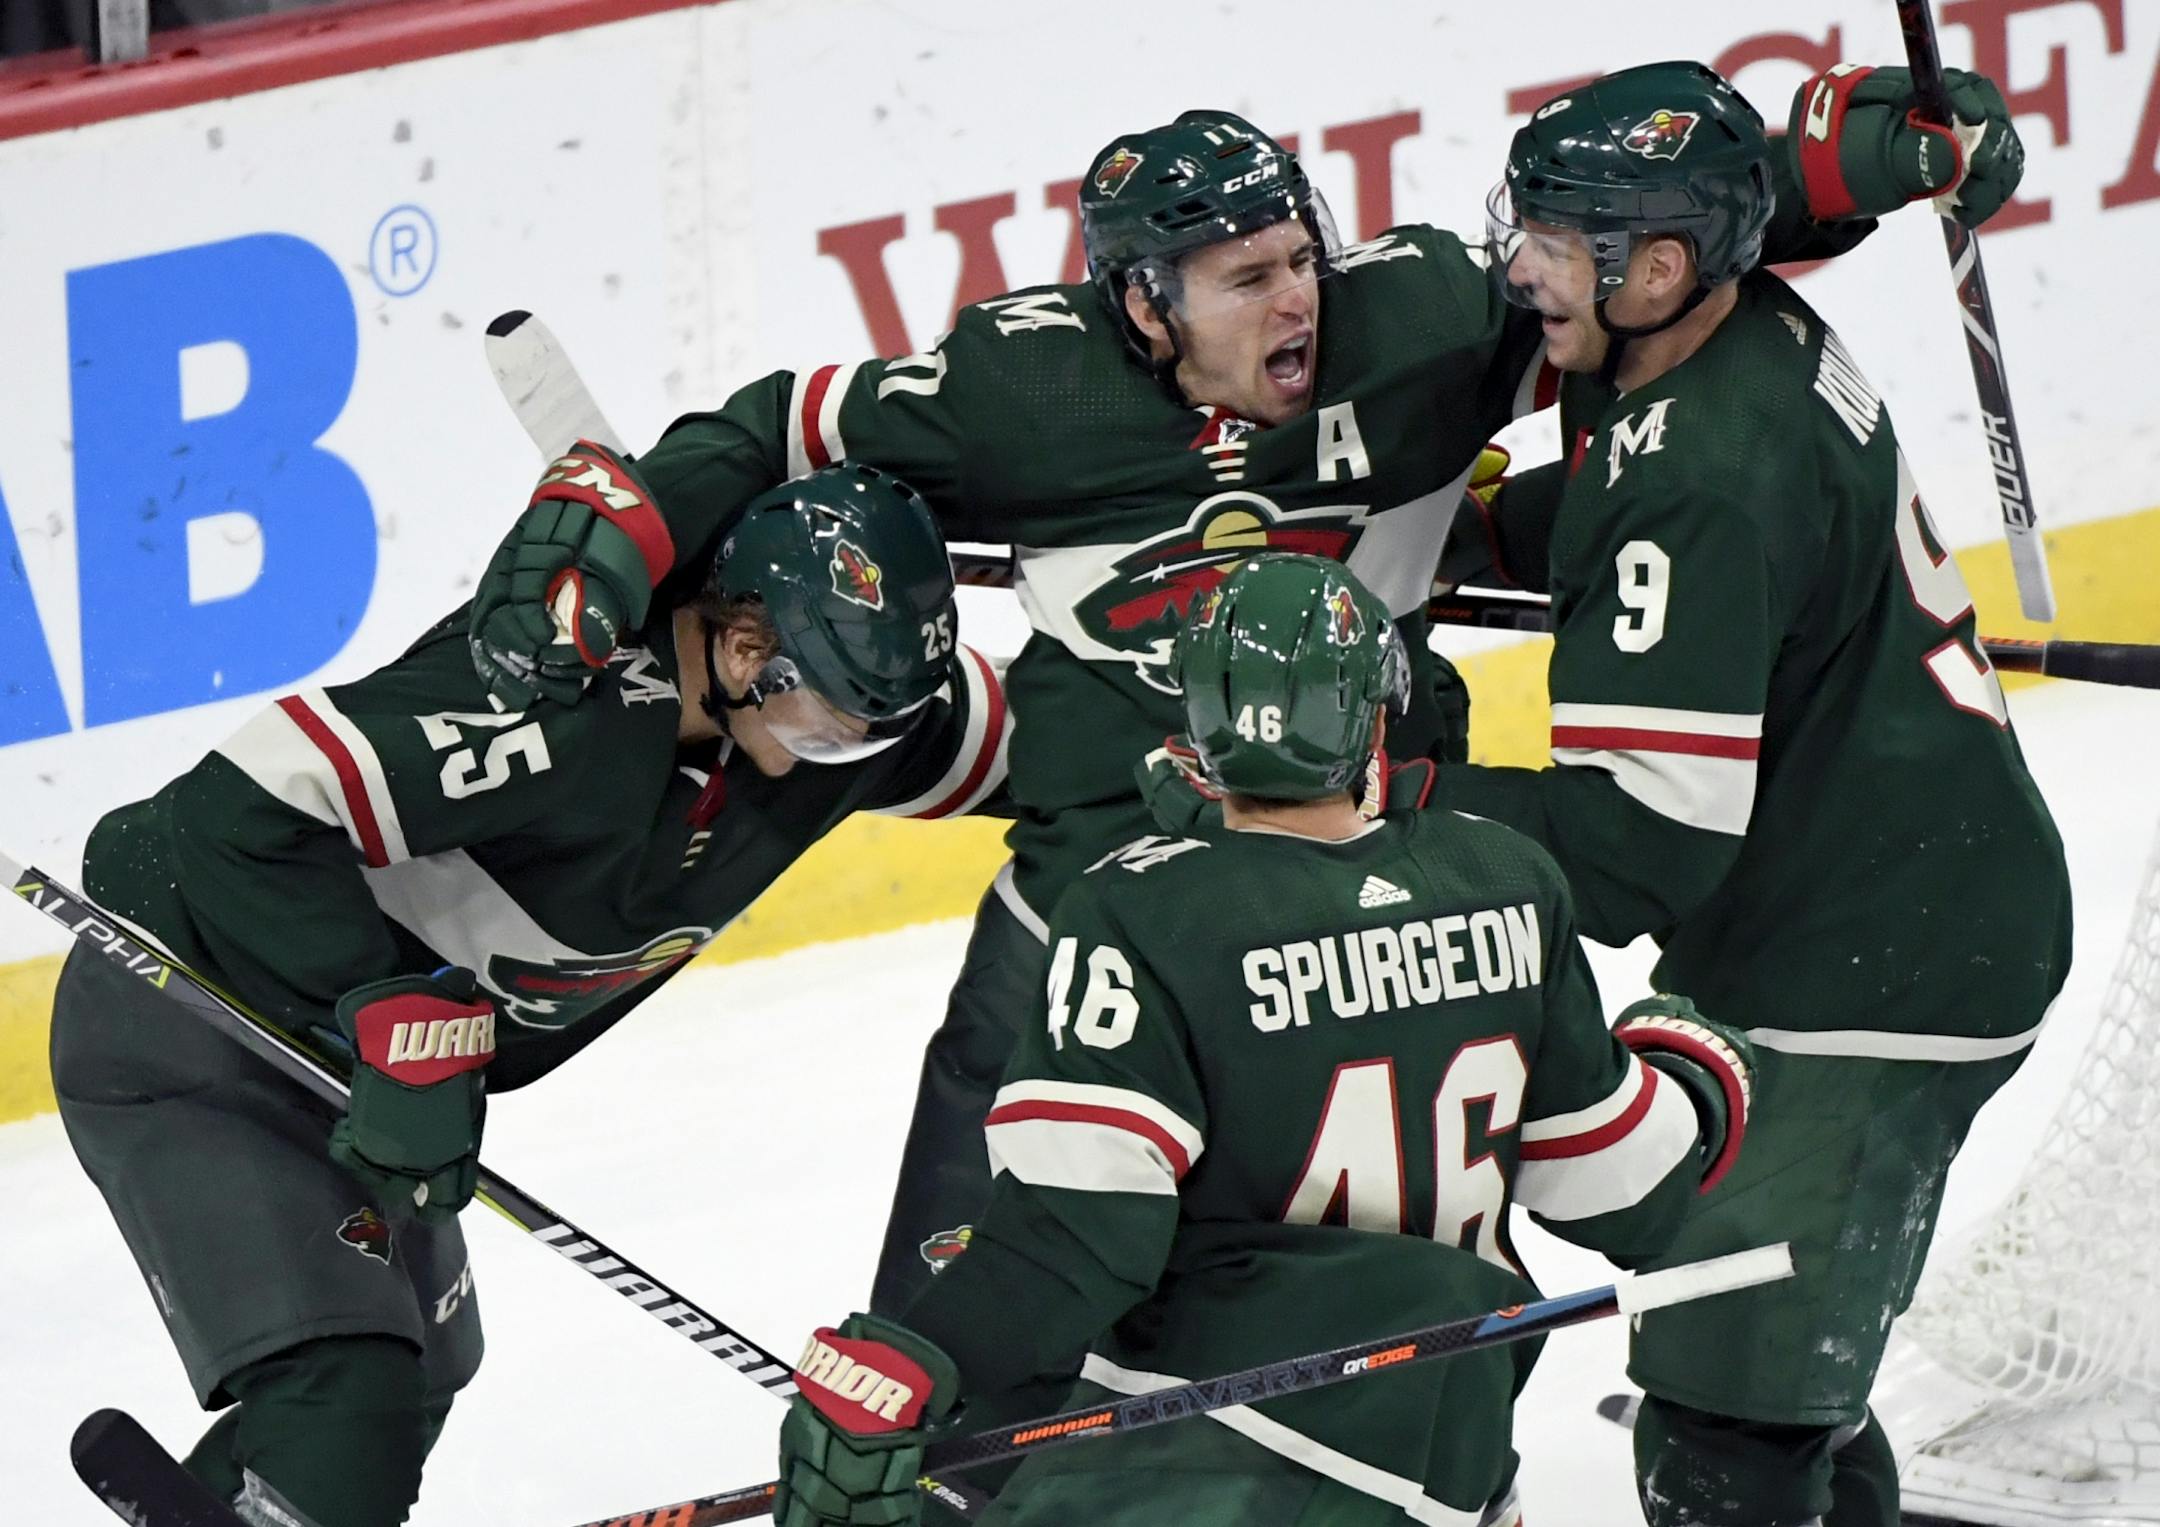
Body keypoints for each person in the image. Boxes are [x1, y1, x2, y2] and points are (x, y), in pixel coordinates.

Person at [460, 67, 2027, 1334]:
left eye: (1300, 258)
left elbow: (1645, 260)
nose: (1296, 304)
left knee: (1372, 1360)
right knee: (966, 1343)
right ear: (1144, 304)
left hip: (1377, 913)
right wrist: (630, 515)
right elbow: (768, 428)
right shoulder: (1024, 388)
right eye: (1244, 278)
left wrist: (1840, 163)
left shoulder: (1417, 321)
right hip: (1108, 912)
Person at [49, 461, 1010, 1527]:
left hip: (382, 1089)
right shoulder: (554, 704)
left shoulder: (819, 708)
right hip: (204, 1019)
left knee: (417, 1376)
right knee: (344, 1389)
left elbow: (1052, 739)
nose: (842, 758)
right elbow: (235, 808)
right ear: (744, 651)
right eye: (835, 726)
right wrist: (372, 1000)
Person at [767, 552, 1760, 1527]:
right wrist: (1695, 1079)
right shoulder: (1503, 873)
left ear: (1195, 714)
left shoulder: (1142, 903)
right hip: (1443, 1460)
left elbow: (1079, 1235)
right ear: (1376, 710)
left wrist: (916, 1359)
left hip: (1199, 1446)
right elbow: (1619, 1190)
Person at [1434, 62, 2071, 1527]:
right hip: (1883, 906)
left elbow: (1630, 855)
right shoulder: (1707, 317)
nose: (1521, 271)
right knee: (1775, 1387)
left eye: (1555, 244)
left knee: (1731, 1423)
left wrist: (1403, 788)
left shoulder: (1702, 475)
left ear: (1658, 269)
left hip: (1882, 976)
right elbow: (1776, 166)